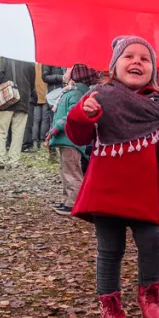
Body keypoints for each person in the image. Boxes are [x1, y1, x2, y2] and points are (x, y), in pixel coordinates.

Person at [64, 36, 159, 318]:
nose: (137, 61)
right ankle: (110, 305)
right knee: (110, 249)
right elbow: (79, 137)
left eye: (145, 58)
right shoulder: (100, 96)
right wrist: (82, 114)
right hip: (106, 190)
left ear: (153, 70)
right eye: (129, 56)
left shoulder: (157, 106)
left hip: (144, 192)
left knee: (152, 241)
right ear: (114, 66)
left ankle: (150, 296)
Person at [48, 64, 98, 215]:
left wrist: (56, 127)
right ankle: (68, 199)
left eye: (70, 69)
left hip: (70, 140)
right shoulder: (70, 92)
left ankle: (75, 202)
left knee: (72, 171)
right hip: (64, 139)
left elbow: (71, 115)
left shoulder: (77, 94)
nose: (66, 71)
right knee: (65, 170)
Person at [0, 57, 34, 169]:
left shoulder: (6, 58)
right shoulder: (29, 60)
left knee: (1, 130)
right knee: (18, 133)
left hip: (8, 99)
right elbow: (32, 82)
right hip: (23, 99)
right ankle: (14, 160)